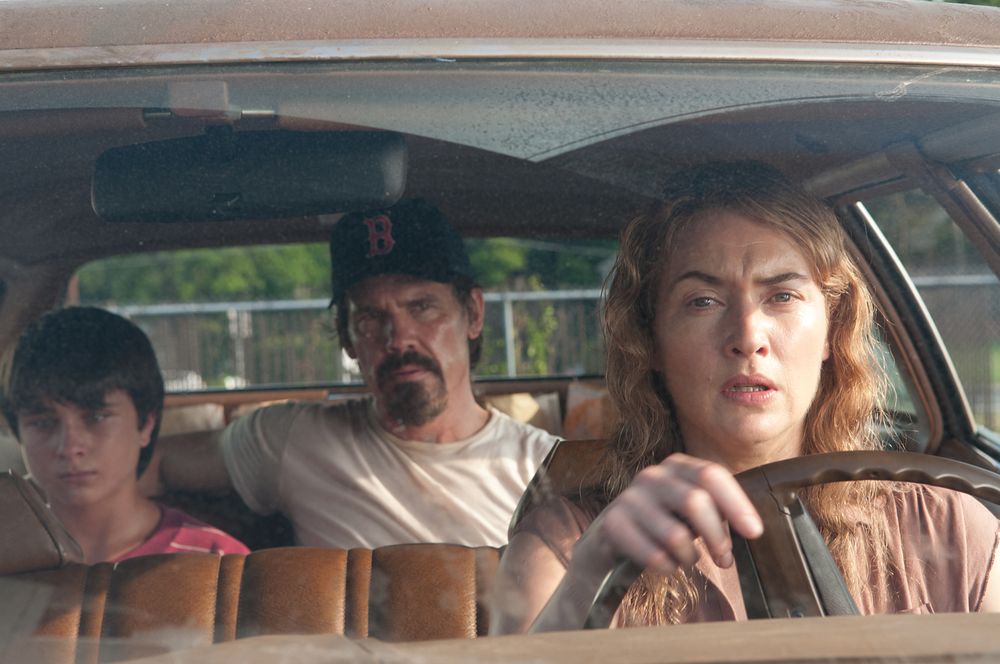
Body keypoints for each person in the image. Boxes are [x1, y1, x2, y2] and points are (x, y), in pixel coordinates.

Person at [490, 162, 1000, 634]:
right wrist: (592, 575)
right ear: (651, 340)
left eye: (782, 296)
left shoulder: (954, 532)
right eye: (703, 301)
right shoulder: (564, 551)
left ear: (832, 328)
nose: (748, 336)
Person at [144, 199, 558, 549]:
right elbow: (145, 465)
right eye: (371, 317)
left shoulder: (544, 468)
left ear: (474, 314)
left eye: (421, 307)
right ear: (347, 338)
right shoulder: (293, 438)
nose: (398, 338)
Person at [0, 306, 249, 564]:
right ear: (18, 433)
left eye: (96, 417)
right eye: (43, 423)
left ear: (146, 424)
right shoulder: (8, 556)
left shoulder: (220, 563)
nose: (70, 447)